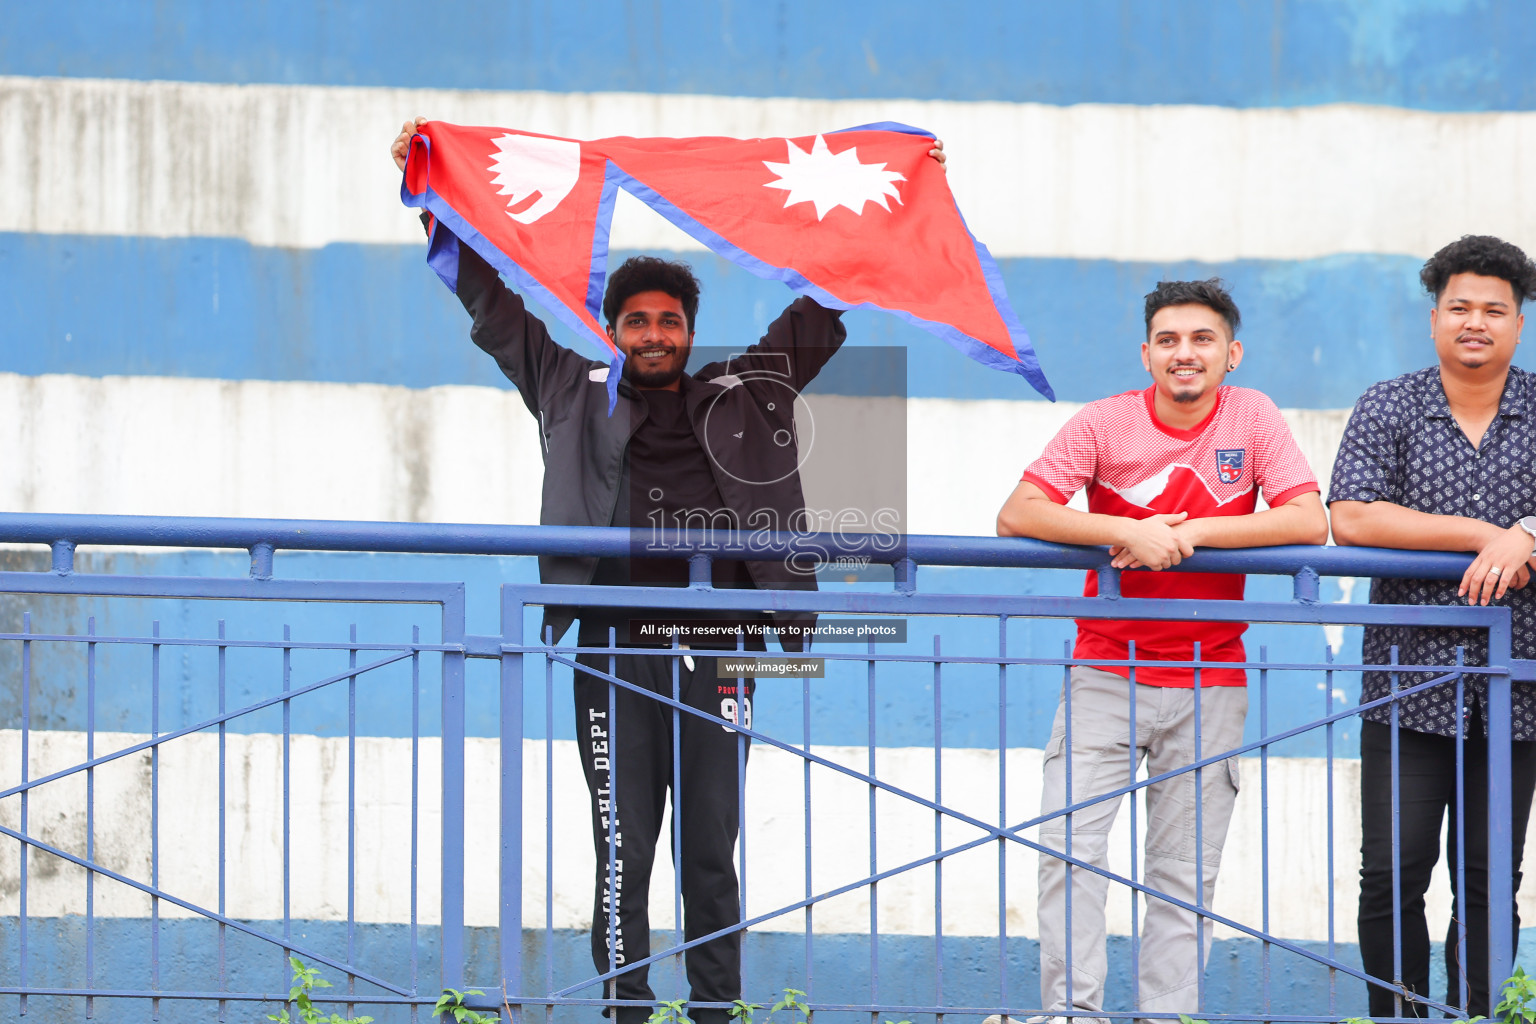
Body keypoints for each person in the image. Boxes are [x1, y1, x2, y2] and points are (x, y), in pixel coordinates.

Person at [391, 119, 945, 1024]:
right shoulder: (570, 388)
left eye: (670, 320)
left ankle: (717, 1011)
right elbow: (493, 310)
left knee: (712, 847)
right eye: (638, 321)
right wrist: (433, 202)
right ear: (613, 331)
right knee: (622, 845)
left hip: (722, 648)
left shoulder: (745, 389)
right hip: (613, 648)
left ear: (690, 331)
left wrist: (892, 196)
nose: (655, 335)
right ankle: (626, 1011)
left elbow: (822, 301)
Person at [991, 279, 1327, 1024]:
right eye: (1169, 340)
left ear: (1231, 354)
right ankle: (1071, 1014)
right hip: (1106, 669)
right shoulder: (1105, 421)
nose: (1185, 354)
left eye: (1202, 340)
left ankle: (1164, 1018)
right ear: (1147, 353)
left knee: (1183, 874)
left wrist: (1192, 532)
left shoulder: (1253, 415)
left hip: (1213, 677)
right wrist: (1126, 531)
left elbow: (1308, 518)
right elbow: (1019, 512)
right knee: (1068, 853)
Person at [1329, 234, 1536, 1018]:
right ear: (1434, 318)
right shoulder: (1390, 405)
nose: (1475, 322)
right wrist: (1490, 534)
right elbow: (1351, 516)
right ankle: (1400, 1014)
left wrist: (1532, 532)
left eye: (1494, 309)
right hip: (1406, 681)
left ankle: (1478, 1017)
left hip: (1516, 689)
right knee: (1390, 871)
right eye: (1460, 307)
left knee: (1489, 879)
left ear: (1519, 324)